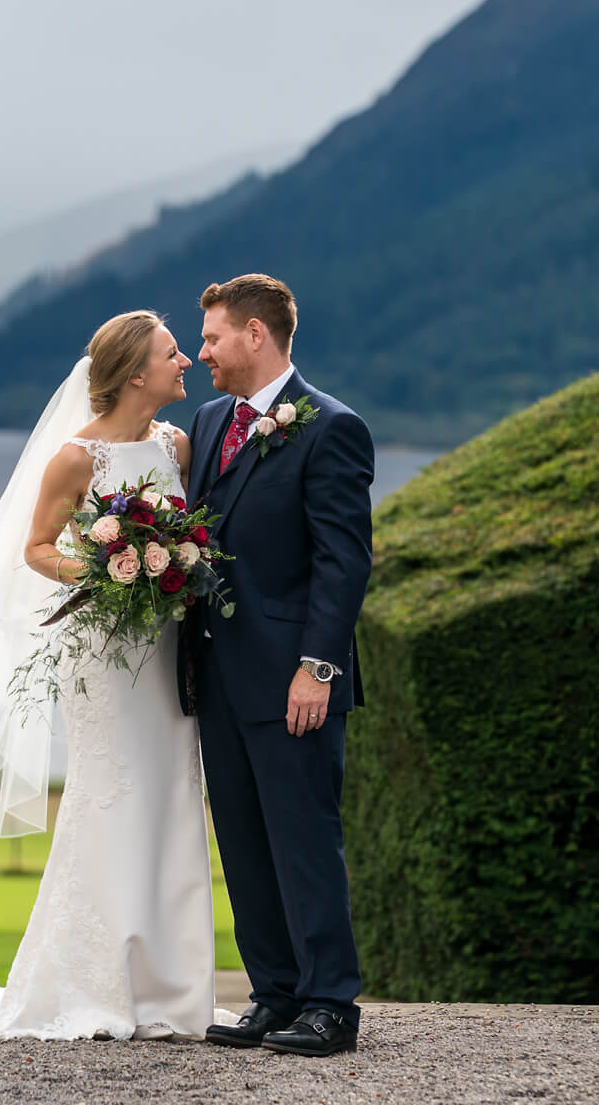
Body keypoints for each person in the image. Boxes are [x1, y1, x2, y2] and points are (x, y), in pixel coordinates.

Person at [0, 310, 233, 1040]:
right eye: (170, 353)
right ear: (135, 373)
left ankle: (170, 990)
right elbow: (35, 548)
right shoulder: (74, 459)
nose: (184, 359)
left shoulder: (176, 445)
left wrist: (172, 567)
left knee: (171, 794)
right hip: (102, 651)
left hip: (165, 654)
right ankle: (87, 981)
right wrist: (106, 572)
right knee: (109, 795)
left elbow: (189, 533)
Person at [180, 274, 373, 1058]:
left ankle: (331, 1006)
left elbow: (344, 561)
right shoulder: (209, 418)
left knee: (303, 839)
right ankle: (274, 994)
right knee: (244, 841)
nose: (204, 354)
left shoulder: (332, 428)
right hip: (216, 676)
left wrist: (317, 667)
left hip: (295, 680)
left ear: (256, 335)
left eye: (214, 338)